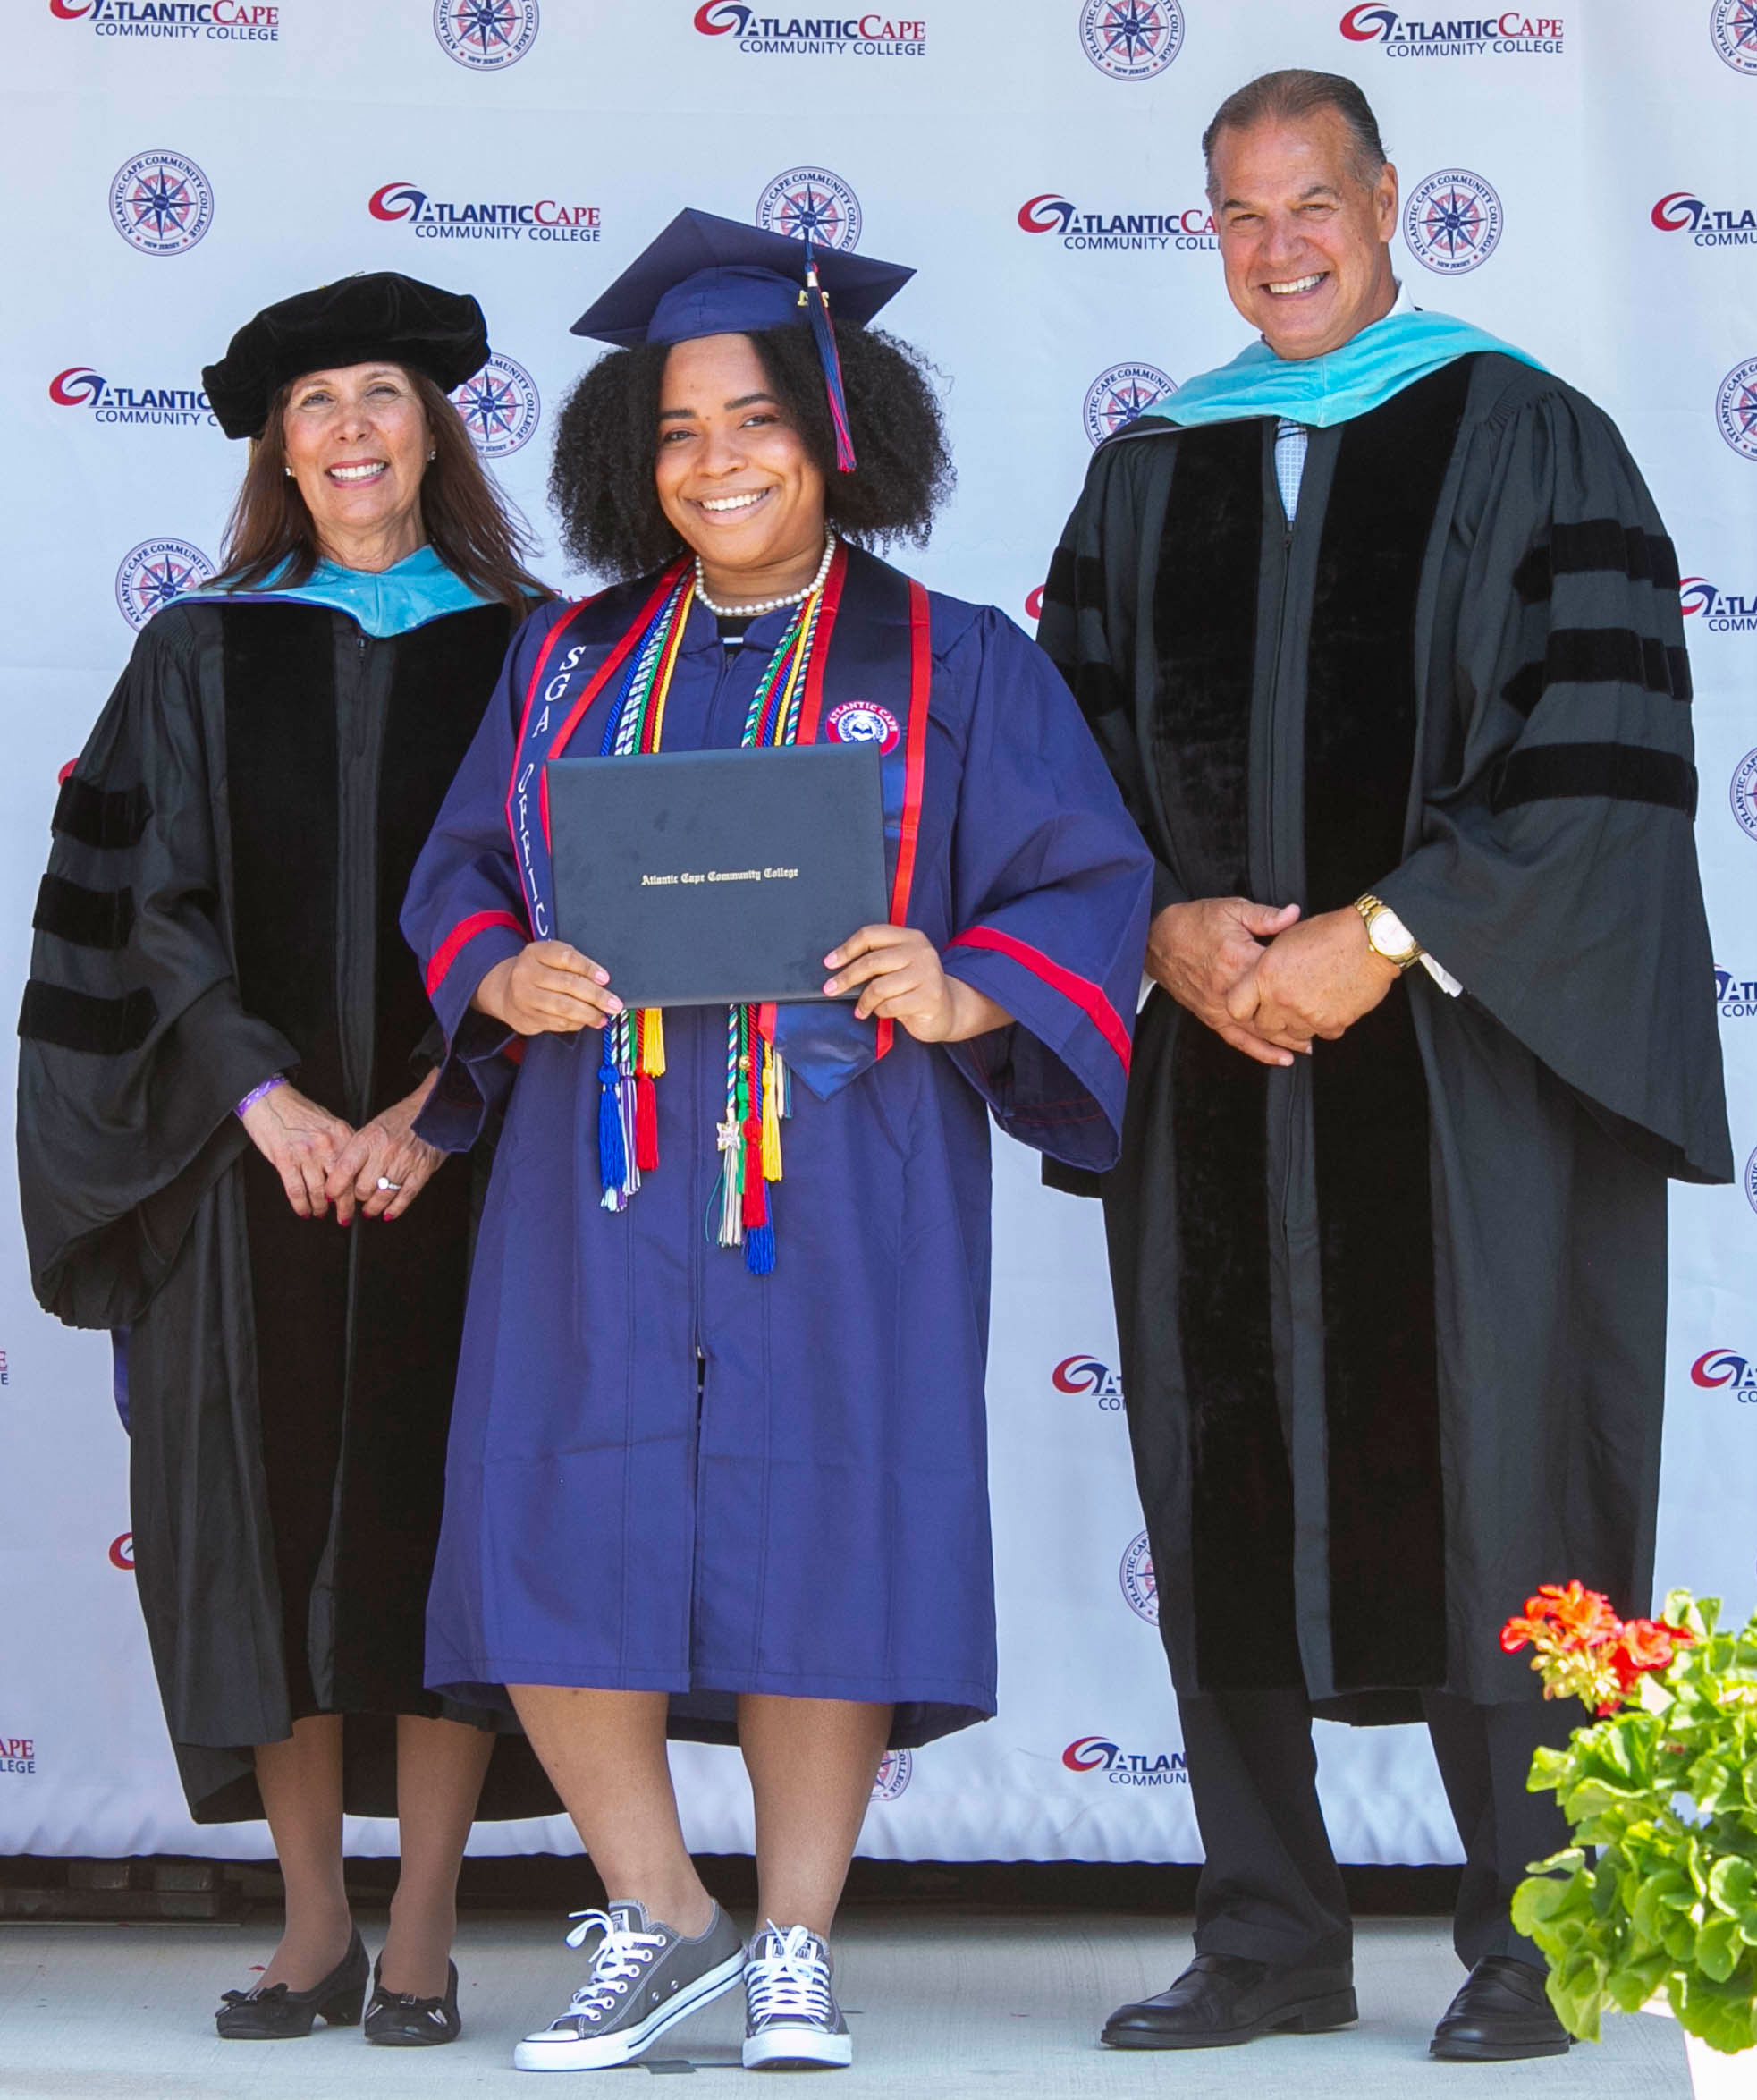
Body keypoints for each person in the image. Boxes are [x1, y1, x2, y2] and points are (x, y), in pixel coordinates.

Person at [401, 207, 1153, 2075]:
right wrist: (503, 974)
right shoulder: (566, 659)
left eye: (750, 418)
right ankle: (657, 1912)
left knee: (835, 1512)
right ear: (625, 457)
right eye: (672, 428)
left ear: (834, 428)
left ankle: (793, 1940)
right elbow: (461, 879)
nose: (713, 460)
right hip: (605, 1157)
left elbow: (1080, 880)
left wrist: (961, 981)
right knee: (564, 1500)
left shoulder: (951, 658)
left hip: (849, 1161)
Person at [1039, 70, 1730, 2065]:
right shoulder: (1147, 471)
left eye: (1307, 205)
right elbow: (1058, 766)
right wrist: (1164, 930)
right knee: (1217, 1457)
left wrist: (1386, 931)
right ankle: (1262, 1933)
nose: (1276, 249)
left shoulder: (1531, 438)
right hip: (1213, 1059)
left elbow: (1598, 751)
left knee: (1496, 1468)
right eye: (1238, 217)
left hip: (1461, 1071)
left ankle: (1539, 1938)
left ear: (1386, 202)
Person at [18, 272, 556, 2046]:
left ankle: (422, 1929)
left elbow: (570, 914)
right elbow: (143, 910)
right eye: (313, 404)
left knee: (443, 1529)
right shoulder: (197, 650)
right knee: (265, 1531)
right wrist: (273, 1106)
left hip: (462, 1169)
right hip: (244, 1170)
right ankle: (311, 1921)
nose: (347, 430)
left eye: (381, 397)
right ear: (277, 446)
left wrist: (426, 1110)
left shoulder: (530, 647)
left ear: (434, 429)